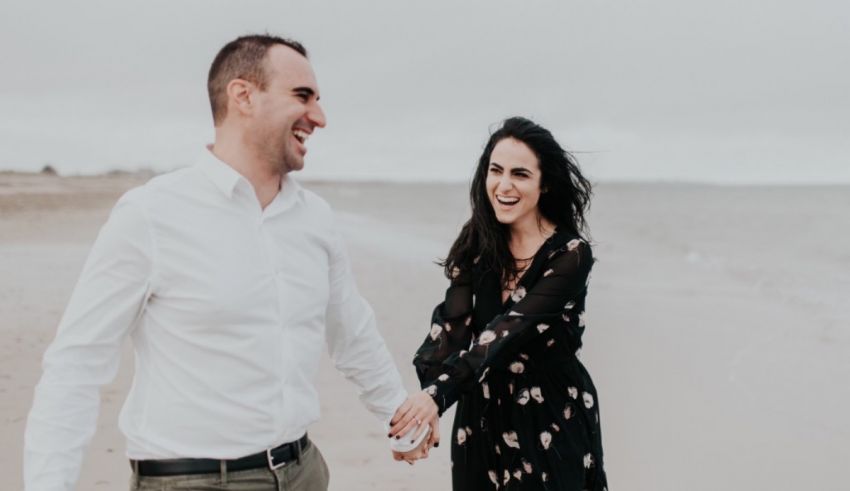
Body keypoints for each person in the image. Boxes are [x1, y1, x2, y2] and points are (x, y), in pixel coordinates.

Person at [24, 34, 436, 491]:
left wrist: (399, 418)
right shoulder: (151, 214)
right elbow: (75, 367)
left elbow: (352, 331)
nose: (318, 117)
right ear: (243, 95)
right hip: (196, 480)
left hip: (304, 471)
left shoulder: (315, 218)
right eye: (303, 96)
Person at [396, 117, 609, 489]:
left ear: (544, 185)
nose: (504, 185)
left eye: (520, 174)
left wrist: (439, 394)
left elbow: (506, 332)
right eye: (496, 171)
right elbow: (451, 329)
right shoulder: (477, 241)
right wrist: (426, 407)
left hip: (552, 416)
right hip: (480, 416)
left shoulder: (571, 254)